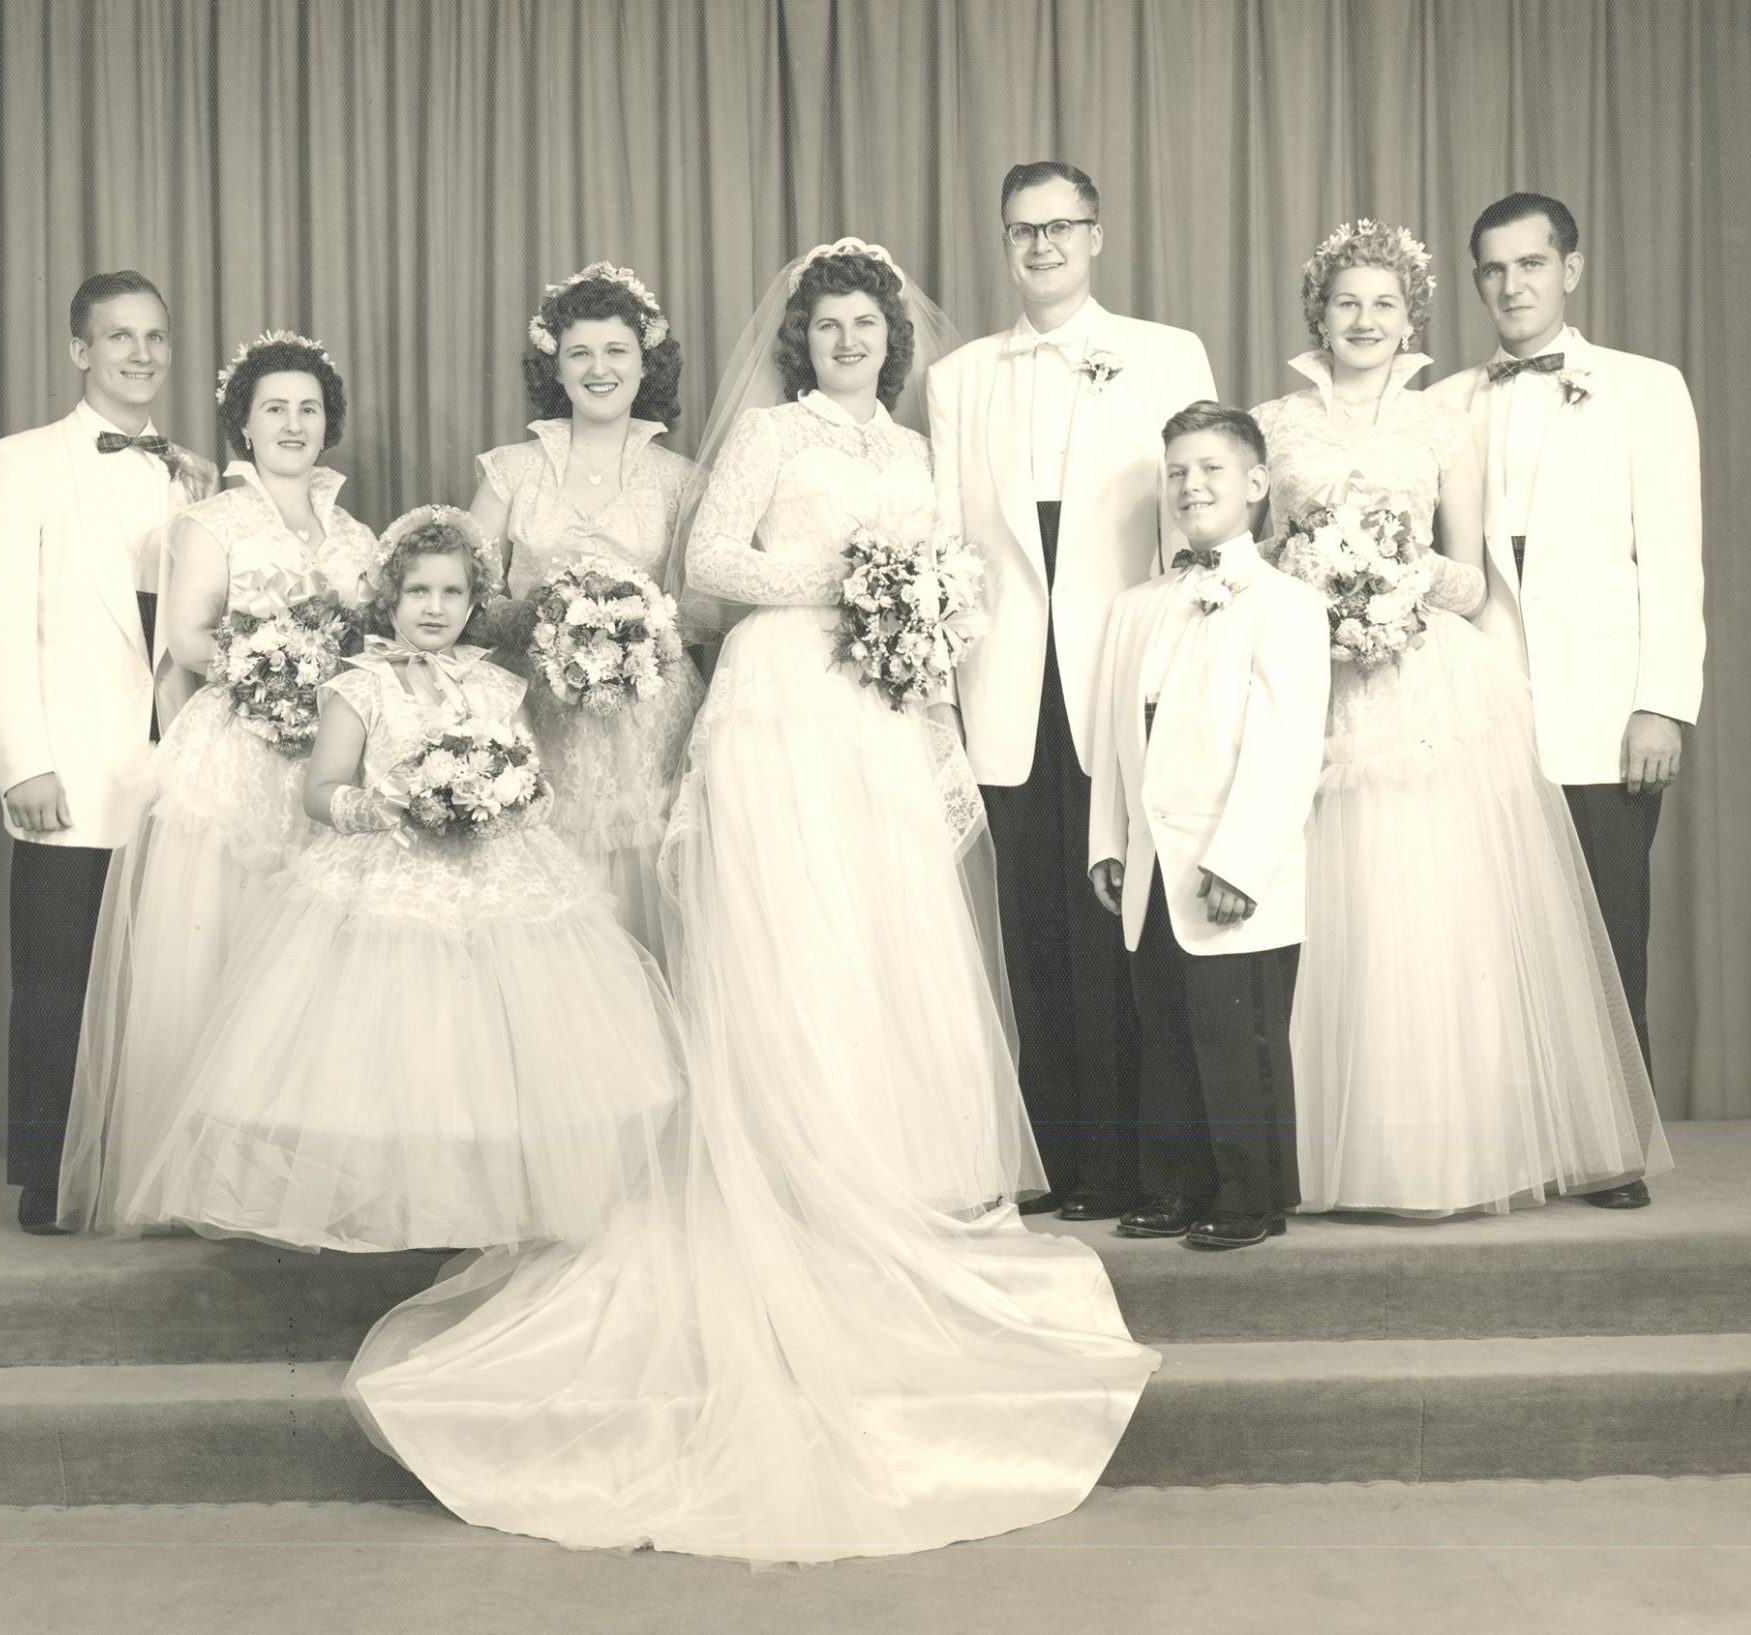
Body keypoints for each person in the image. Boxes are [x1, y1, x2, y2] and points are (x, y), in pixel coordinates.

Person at [345, 241, 1157, 1564]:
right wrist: (847, 584)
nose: (847, 340)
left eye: (864, 325)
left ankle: (886, 1167)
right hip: (779, 697)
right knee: (790, 935)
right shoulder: (771, 435)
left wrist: (926, 615)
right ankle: (782, 1163)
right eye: (828, 324)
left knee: (884, 938)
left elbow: (953, 568)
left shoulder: (913, 445)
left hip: (876, 711)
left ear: (892, 341)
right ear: (802, 339)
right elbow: (715, 563)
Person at [121, 509, 682, 1251]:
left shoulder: (498, 687)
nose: (434, 608)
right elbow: (319, 787)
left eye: (452, 593)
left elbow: (531, 776)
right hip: (385, 867)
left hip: (495, 872)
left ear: (474, 603)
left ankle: (482, 1205)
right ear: (388, 600)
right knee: (388, 1051)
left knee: (492, 1052)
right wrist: (368, 805)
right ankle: (390, 1204)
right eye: (418, 591)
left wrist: (516, 795)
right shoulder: (362, 687)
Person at [1254, 218, 1670, 1217]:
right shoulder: (1271, 422)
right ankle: (1324, 1154)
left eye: (1383, 304)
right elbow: (1258, 555)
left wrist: (1391, 579)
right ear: (1318, 311)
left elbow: (1475, 579)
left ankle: (1445, 1149)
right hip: (1316, 687)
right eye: (1345, 302)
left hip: (1422, 684)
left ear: (1411, 319)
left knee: (1428, 919)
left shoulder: (1448, 421)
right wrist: (1312, 574)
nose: (1363, 320)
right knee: (1329, 921)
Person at [928, 160, 1217, 1220]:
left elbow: (1195, 512)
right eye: (1020, 230)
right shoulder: (958, 376)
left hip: (1124, 664)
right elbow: (948, 542)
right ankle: (1056, 1165)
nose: (1039, 246)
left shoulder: (1162, 353)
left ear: (1094, 236)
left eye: (1058, 227)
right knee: (1032, 925)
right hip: (1004, 678)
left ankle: (1138, 1165)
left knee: (1121, 920)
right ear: (1003, 242)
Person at [55, 331, 381, 1234]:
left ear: (329, 424)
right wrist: (278, 662)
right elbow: (189, 640)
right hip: (238, 755)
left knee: (315, 976)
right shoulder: (209, 522)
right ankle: (206, 1181)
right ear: (242, 421)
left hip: (329, 759)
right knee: (223, 956)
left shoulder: (355, 534)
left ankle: (298, 1179)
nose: (293, 423)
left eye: (309, 408)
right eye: (273, 407)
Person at [1427, 194, 1704, 1207]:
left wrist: (1659, 705)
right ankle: (1514, 1137)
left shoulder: (1641, 389)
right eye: (1492, 270)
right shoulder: (1445, 402)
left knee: (1605, 930)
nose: (1511, 287)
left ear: (1569, 272)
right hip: (1486, 706)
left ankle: (1610, 1149)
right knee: (1493, 933)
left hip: (1602, 712)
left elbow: (1672, 559)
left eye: (1530, 266)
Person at [0, 270, 216, 1234]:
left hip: (181, 765)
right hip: (75, 765)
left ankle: (153, 1167)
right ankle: (50, 1177)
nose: (141, 354)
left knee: (170, 974)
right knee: (62, 974)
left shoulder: (197, 473)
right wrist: (22, 759)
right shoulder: (18, 463)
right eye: (120, 337)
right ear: (79, 350)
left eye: (155, 336)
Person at [1087, 404, 1329, 1249]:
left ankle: (1250, 1195)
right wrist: (1108, 842)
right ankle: (1175, 1185)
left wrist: (1240, 863)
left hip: (1232, 863)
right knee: (1168, 1034)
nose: (1191, 485)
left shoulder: (1287, 604)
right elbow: (1112, 739)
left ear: (1256, 485)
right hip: (1152, 861)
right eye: (1178, 471)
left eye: (1211, 470)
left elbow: (1287, 749)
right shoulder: (1135, 606)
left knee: (1239, 1034)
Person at [467, 263, 705, 957]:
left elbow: (708, 610)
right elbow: (469, 599)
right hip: (536, 717)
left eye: (615, 351)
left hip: (650, 727)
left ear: (644, 363)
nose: (598, 368)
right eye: (580, 353)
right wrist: (549, 625)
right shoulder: (509, 471)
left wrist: (639, 628)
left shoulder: (682, 479)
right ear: (556, 367)